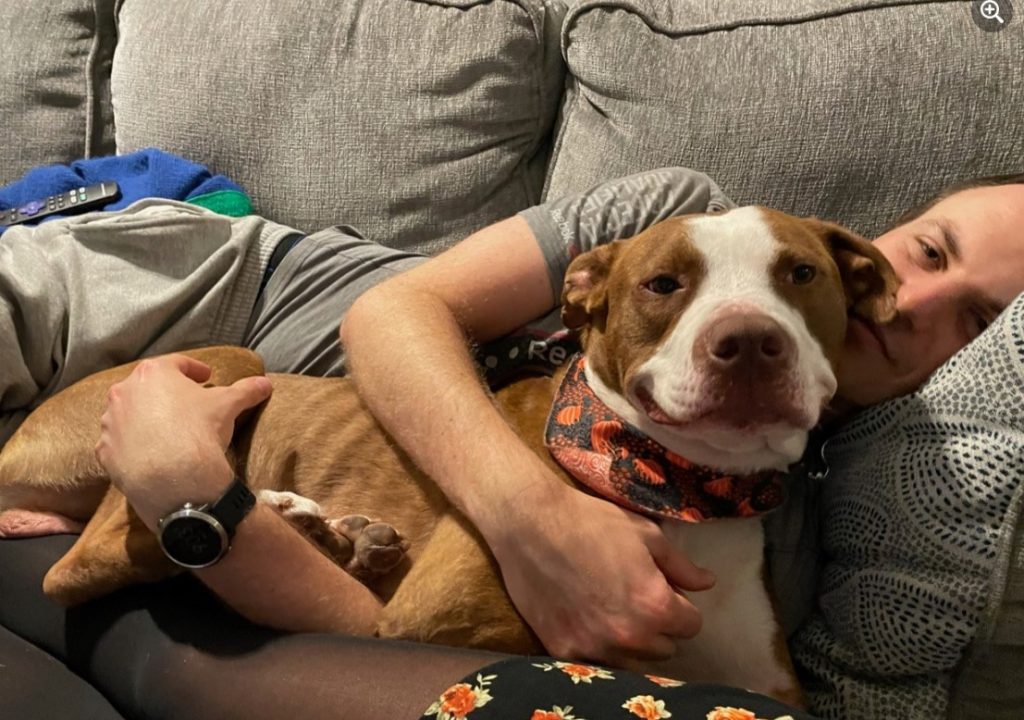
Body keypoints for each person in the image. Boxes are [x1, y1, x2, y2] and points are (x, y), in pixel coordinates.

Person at [3, 168, 1023, 719]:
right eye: (929, 252)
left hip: (236, 459)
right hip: (224, 285)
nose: (922, 302)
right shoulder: (674, 213)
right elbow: (388, 313)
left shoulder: (798, 514)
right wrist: (533, 517)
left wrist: (196, 496)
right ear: (867, 259)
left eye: (979, 321)